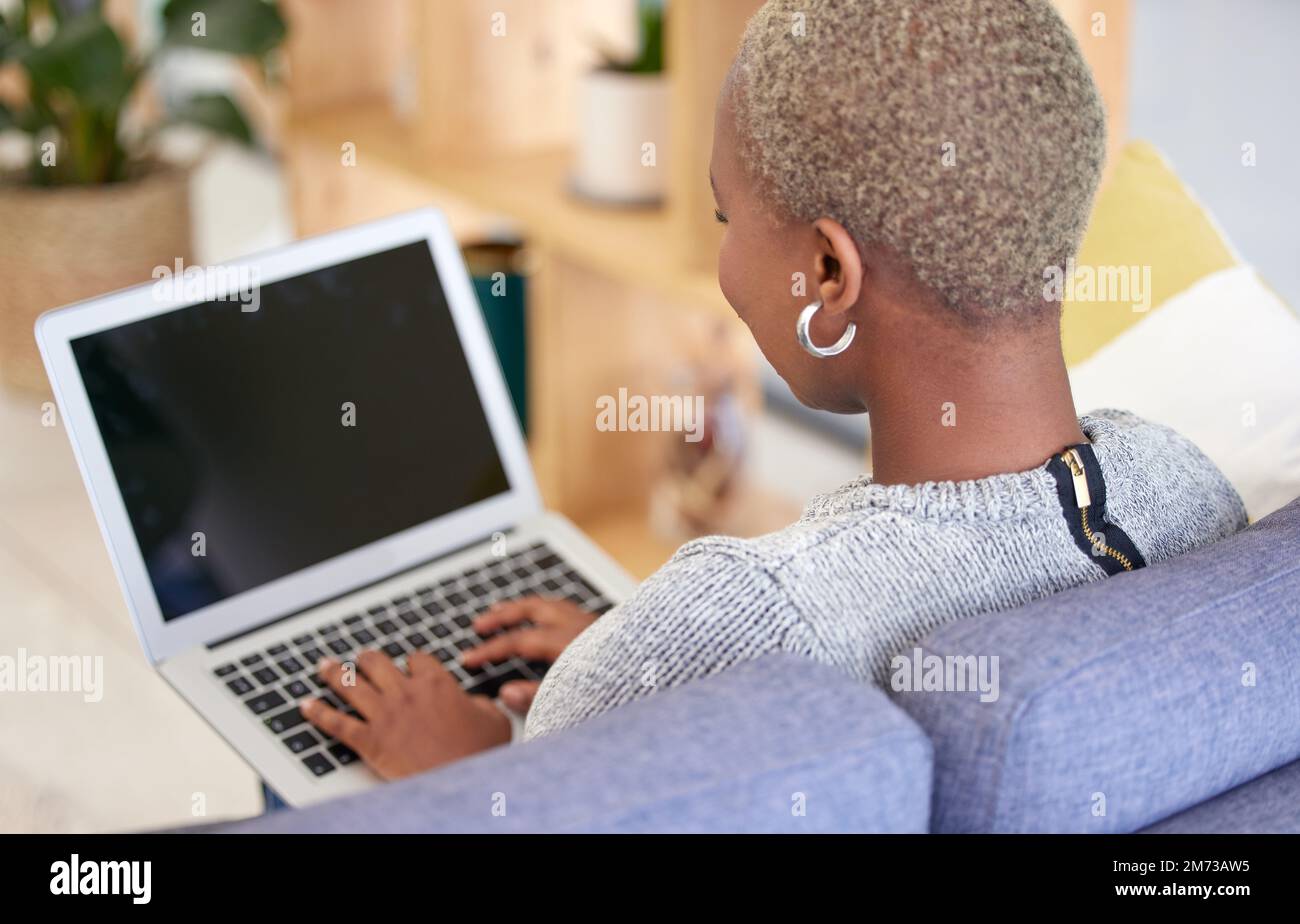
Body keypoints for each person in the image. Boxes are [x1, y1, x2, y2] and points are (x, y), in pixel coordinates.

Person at [299, 0, 1246, 780]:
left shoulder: (744, 613)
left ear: (829, 275)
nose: (722, 256)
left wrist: (462, 767)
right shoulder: (1188, 492)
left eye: (725, 214)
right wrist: (648, 676)